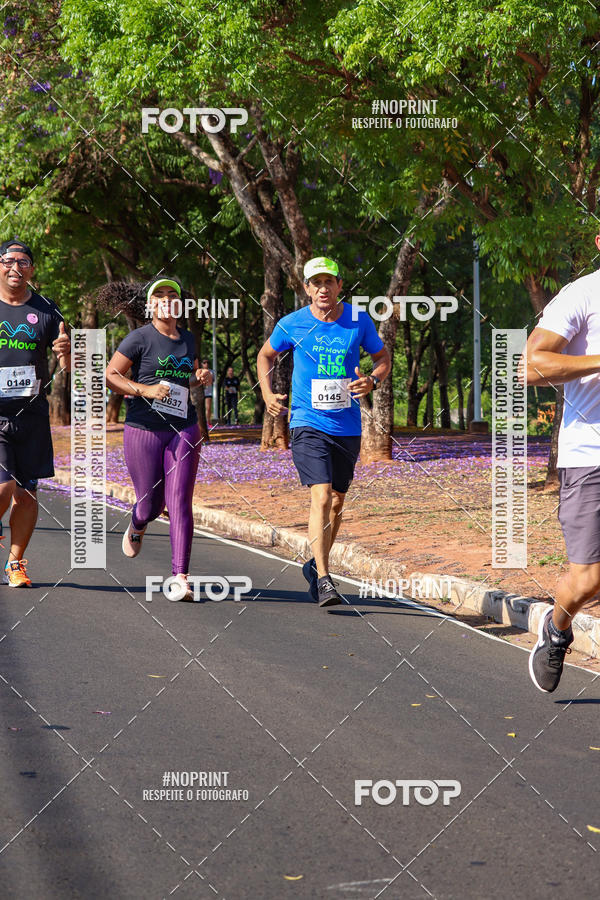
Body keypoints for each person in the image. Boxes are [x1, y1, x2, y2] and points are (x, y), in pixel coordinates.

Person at [257, 256, 391, 607]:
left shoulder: (358, 321)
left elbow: (383, 358)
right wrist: (268, 394)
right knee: (320, 494)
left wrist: (373, 380)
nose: (322, 289)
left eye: (328, 282)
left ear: (339, 286)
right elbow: (265, 356)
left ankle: (315, 564)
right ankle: (326, 578)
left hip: (346, 425)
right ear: (306, 288)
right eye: (315, 283)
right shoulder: (292, 324)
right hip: (307, 422)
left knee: (337, 501)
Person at [104, 277, 212, 601]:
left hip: (184, 427)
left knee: (179, 500)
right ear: (150, 305)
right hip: (144, 428)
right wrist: (146, 390)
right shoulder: (139, 338)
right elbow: (111, 375)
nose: (166, 299)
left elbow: (187, 378)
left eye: (172, 295)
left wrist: (200, 378)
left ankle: (180, 577)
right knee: (151, 504)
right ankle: (138, 522)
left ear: (180, 304)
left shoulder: (188, 339)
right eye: (159, 295)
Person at [526, 234, 600, 691]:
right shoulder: (581, 294)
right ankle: (557, 629)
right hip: (590, 454)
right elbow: (532, 365)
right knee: (589, 579)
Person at [0, 239, 71, 587]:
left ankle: (15, 564)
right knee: (3, 485)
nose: (16, 267)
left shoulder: (47, 310)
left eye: (23, 261)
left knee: (26, 492)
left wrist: (65, 351)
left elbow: (68, 364)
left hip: (31, 415)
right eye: (9, 260)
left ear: (32, 269)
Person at [201, 358, 214, 424]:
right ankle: (200, 423)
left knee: (208, 408)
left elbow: (212, 381)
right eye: (204, 362)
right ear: (202, 364)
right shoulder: (199, 371)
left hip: (208, 392)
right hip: (200, 393)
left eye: (207, 362)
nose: (206, 364)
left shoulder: (212, 372)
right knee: (200, 409)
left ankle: (208, 422)